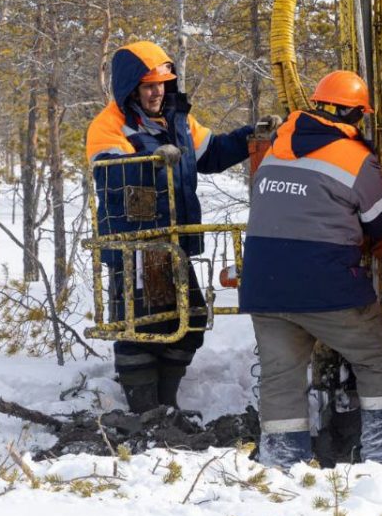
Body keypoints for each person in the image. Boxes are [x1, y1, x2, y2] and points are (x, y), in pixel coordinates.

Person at [86, 40, 266, 414]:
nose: (157, 92)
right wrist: (154, 159)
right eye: (149, 85)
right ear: (130, 87)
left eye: (162, 83)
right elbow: (112, 175)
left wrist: (251, 136)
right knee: (138, 329)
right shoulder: (109, 127)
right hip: (135, 244)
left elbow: (211, 154)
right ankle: (145, 411)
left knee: (189, 321)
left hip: (174, 242)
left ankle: (165, 405)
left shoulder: (178, 120)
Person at [241, 70, 382, 468]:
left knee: (281, 376)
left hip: (264, 286)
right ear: (356, 115)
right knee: (374, 361)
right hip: (325, 286)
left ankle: (281, 468)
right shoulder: (354, 158)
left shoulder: (276, 150)